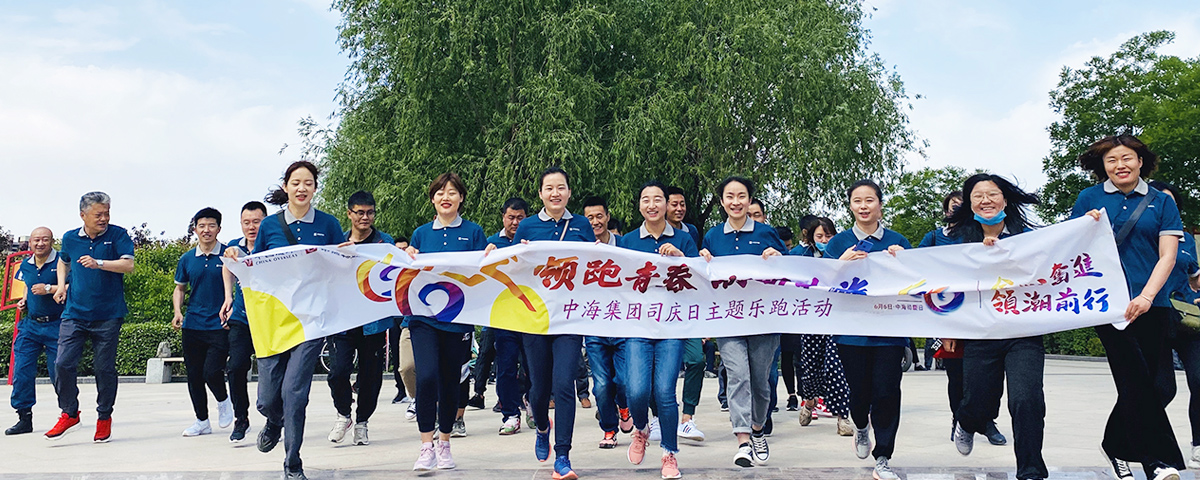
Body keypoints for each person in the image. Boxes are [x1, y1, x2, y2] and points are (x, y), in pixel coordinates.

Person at [1072, 135, 1185, 480]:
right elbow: (1071, 250)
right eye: (1111, 160)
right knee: (1134, 380)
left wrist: (1147, 296)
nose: (1119, 165)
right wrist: (1085, 227)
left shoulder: (1160, 201)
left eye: (1127, 158)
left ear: (1140, 161)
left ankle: (1115, 445)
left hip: (1153, 303)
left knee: (1162, 387)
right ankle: (1157, 462)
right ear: (1103, 166)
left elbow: (1168, 255)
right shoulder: (1089, 198)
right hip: (1108, 305)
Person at [494, 165, 596, 480]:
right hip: (535, 319)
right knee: (538, 389)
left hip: (569, 318)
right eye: (549, 188)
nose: (555, 193)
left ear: (569, 192)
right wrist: (499, 254)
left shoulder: (581, 225)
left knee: (564, 384)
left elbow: (595, 267)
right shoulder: (527, 226)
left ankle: (563, 455)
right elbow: (513, 268)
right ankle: (541, 427)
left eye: (561, 187)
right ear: (540, 193)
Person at [942, 174, 1047, 480]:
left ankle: (1031, 471)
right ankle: (966, 421)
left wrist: (1089, 227)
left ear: (1005, 199)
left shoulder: (1027, 237)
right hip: (980, 332)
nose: (986, 200)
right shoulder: (956, 240)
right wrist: (947, 328)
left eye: (992, 194)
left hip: (1023, 333)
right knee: (978, 400)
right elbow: (938, 281)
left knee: (1026, 399)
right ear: (969, 202)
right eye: (978, 195)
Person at [247, 161, 345, 480]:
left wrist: (346, 255)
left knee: (294, 393)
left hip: (310, 320)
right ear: (286, 187)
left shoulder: (328, 225)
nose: (302, 188)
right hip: (274, 322)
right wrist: (237, 260)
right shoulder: (269, 226)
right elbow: (256, 268)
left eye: (308, 183)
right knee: (266, 400)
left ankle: (292, 462)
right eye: (296, 182)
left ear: (315, 187)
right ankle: (273, 421)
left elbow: (339, 266)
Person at [825, 179, 911, 480]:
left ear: (880, 205)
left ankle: (883, 457)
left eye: (869, 200)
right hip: (851, 332)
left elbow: (915, 284)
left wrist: (904, 262)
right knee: (859, 393)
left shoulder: (898, 241)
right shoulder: (838, 244)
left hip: (889, 332)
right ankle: (861, 426)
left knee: (887, 393)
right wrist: (840, 263)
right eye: (857, 201)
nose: (864, 206)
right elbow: (820, 283)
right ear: (850, 206)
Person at [698, 176, 785, 468]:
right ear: (722, 201)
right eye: (730, 196)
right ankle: (743, 440)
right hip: (729, 320)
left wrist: (778, 257)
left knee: (761, 381)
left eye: (742, 196)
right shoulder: (712, 236)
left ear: (749, 200)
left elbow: (790, 271)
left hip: (763, 320)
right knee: (738, 377)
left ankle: (758, 428)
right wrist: (702, 259)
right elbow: (704, 278)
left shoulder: (767, 233)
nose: (736, 202)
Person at [405, 173, 489, 471]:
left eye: (452, 192)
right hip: (423, 317)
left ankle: (444, 443)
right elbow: (409, 271)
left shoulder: (473, 232)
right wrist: (408, 255)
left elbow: (485, 272)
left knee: (450, 380)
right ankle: (426, 446)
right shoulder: (421, 234)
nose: (446, 197)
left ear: (461, 198)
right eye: (440, 192)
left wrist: (491, 255)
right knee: (426, 376)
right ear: (432, 199)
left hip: (458, 318)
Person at [619, 180, 699, 479]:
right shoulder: (628, 241)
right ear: (639, 205)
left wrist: (681, 258)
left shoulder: (684, 239)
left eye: (657, 199)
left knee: (665, 391)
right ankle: (640, 428)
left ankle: (669, 453)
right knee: (636, 390)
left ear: (667, 203)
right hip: (638, 326)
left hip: (671, 327)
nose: (651, 205)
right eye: (645, 199)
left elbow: (700, 279)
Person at [45, 191, 136, 443]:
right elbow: (64, 261)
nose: (104, 218)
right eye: (98, 214)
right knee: (62, 363)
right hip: (74, 313)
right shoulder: (70, 238)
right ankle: (70, 413)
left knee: (104, 368)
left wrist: (99, 263)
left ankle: (104, 417)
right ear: (83, 215)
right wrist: (61, 285)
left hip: (108, 315)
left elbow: (128, 265)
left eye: (107, 213)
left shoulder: (118, 235)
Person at [326, 191, 394, 446]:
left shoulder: (384, 243)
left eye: (370, 212)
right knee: (337, 372)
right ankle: (344, 414)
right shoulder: (337, 242)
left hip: (373, 319)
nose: (365, 218)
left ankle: (362, 422)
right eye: (360, 212)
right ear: (349, 214)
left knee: (370, 376)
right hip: (342, 319)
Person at [788, 217, 854, 436]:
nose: (824, 240)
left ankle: (842, 417)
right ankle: (809, 401)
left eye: (828, 235)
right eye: (819, 236)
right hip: (811, 319)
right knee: (811, 365)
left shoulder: (845, 253)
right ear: (810, 237)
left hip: (837, 319)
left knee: (837, 367)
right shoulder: (800, 255)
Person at [172, 208, 233, 438]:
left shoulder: (228, 255)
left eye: (211, 225)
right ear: (195, 229)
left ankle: (223, 400)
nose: (206, 230)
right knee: (194, 375)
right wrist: (177, 312)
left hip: (220, 325)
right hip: (192, 325)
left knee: (212, 371)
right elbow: (180, 289)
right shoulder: (187, 259)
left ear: (219, 228)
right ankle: (202, 421)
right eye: (202, 226)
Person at [1152, 180, 1200, 469]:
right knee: (1162, 388)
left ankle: (1199, 445)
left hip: (1186, 319)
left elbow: (1194, 276)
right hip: (1153, 317)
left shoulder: (1186, 239)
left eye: (1170, 202)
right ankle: (1137, 440)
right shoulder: (1141, 235)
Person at [582, 196, 629, 446]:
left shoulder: (625, 245)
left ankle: (624, 407)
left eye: (599, 216)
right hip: (594, 326)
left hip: (623, 324)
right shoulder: (578, 248)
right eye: (589, 218)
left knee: (624, 381)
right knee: (601, 385)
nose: (595, 222)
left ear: (608, 217)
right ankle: (609, 429)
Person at [219, 201, 268, 442]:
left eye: (256, 222)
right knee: (236, 367)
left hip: (269, 319)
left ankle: (274, 419)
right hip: (241, 318)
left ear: (265, 222)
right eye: (246, 222)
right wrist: (228, 297)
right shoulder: (234, 247)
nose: (251, 227)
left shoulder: (272, 246)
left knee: (271, 371)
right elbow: (227, 268)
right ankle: (241, 419)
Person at [486, 197, 534, 434]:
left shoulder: (534, 241)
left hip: (532, 314)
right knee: (505, 367)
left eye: (520, 218)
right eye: (511, 217)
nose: (515, 222)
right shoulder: (491, 243)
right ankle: (510, 414)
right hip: (503, 315)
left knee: (534, 365)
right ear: (503, 217)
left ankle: (533, 403)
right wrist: (486, 255)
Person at [7, 227, 62, 435]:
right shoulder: (26, 265)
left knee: (59, 372)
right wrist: (24, 301)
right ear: (30, 242)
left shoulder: (62, 262)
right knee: (21, 370)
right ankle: (24, 417)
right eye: (36, 240)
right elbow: (28, 287)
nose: (40, 244)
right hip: (30, 325)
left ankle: (69, 413)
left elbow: (73, 287)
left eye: (45, 240)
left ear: (52, 241)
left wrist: (48, 289)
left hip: (57, 325)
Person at [921, 191, 963, 372]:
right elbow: (915, 263)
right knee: (955, 374)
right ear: (946, 211)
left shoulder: (979, 236)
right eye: (953, 206)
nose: (957, 210)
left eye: (962, 206)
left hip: (977, 310)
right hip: (947, 307)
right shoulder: (933, 237)